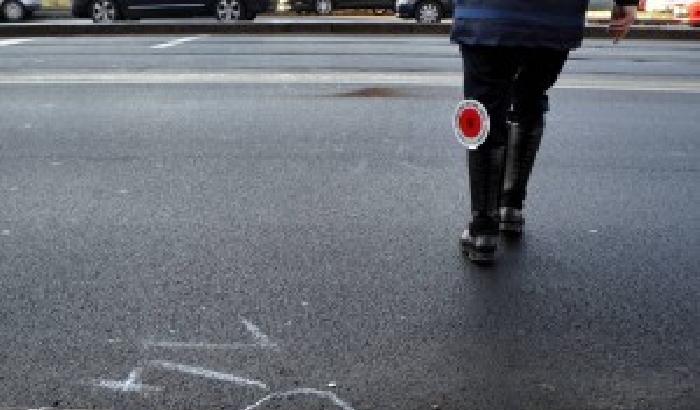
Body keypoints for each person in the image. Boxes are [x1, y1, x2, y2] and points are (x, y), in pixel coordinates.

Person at [451, 0, 639, 264]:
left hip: (486, 16)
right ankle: (511, 207)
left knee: (483, 112)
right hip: (553, 18)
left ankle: (483, 229)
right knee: (530, 99)